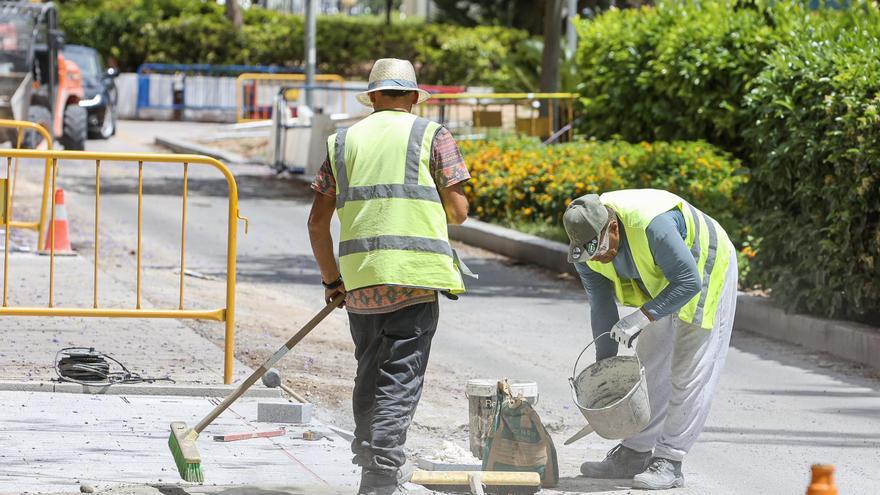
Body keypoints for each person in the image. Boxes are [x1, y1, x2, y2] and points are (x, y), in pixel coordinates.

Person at [307, 58, 470, 495]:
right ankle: (380, 474)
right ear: (415, 98)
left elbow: (317, 222)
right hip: (414, 278)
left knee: (370, 370)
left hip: (360, 282)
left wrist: (331, 281)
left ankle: (370, 461)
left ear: (373, 98)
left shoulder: (342, 142)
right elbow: (458, 211)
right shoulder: (432, 135)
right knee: (400, 374)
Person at [563, 189, 738, 490]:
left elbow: (688, 282)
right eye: (590, 251)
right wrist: (606, 372)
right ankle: (635, 452)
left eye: (601, 247)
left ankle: (671, 460)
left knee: (688, 368)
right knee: (649, 361)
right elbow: (601, 307)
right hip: (663, 279)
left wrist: (643, 316)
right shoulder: (586, 251)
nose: (599, 256)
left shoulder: (652, 225)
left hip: (704, 266)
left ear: (613, 227)